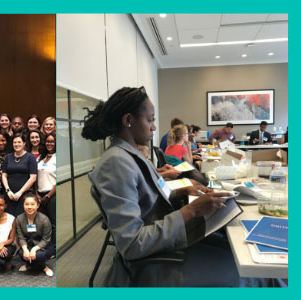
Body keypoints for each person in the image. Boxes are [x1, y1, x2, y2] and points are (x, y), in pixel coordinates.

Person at [82, 86, 245, 287]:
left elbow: (149, 198)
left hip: (171, 243)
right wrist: (191, 210)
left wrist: (184, 191)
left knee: (234, 249)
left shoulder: (129, 154)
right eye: (150, 120)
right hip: (157, 261)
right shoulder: (116, 162)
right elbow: (132, 243)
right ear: (128, 120)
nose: (153, 127)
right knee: (246, 271)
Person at [15, 193, 54, 277]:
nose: (29, 207)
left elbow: (46, 240)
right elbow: (21, 237)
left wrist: (34, 249)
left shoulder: (44, 219)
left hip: (44, 246)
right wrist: (25, 249)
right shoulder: (19, 219)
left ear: (37, 205)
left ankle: (44, 267)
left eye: (32, 204)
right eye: (27, 204)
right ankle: (29, 264)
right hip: (28, 245)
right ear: (23, 205)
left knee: (39, 255)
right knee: (22, 253)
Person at [2, 133, 38, 216]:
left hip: (24, 195)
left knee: (22, 218)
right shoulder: (8, 157)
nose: (16, 144)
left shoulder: (30, 157)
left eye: (19, 142)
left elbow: (33, 177)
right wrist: (8, 190)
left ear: (24, 143)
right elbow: (4, 175)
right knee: (9, 218)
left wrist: (20, 192)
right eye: (14, 142)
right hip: (9, 194)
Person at [36, 133, 56, 232]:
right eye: (48, 141)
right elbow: (36, 176)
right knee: (43, 224)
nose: (49, 143)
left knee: (53, 223)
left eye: (52, 141)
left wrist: (48, 196)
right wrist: (37, 194)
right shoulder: (41, 158)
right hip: (40, 195)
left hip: (52, 195)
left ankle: (55, 246)